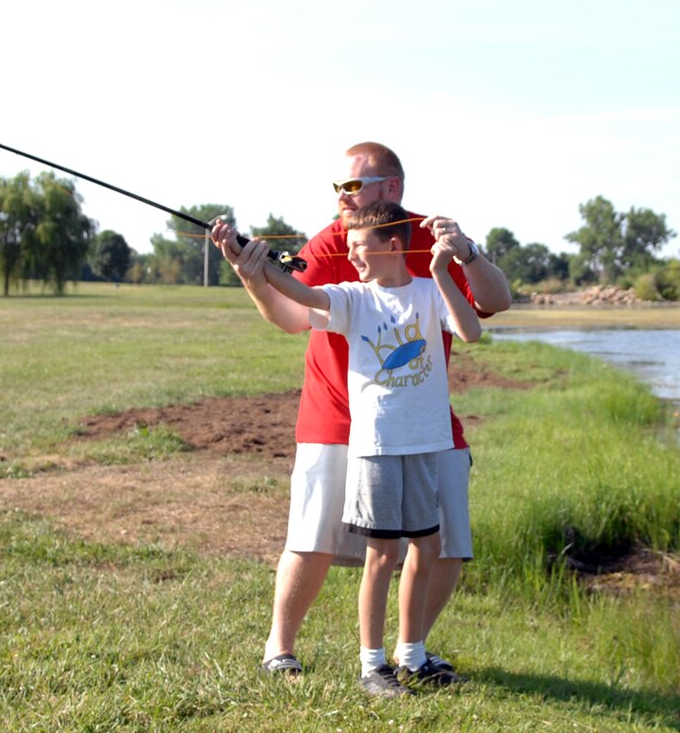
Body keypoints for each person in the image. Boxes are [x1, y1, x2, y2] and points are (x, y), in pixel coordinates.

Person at [208, 142, 511, 686]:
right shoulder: (335, 243)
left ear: (390, 188)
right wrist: (252, 274)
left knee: (443, 542)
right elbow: (294, 308)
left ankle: (410, 653)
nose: (341, 198)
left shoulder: (427, 244)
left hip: (425, 423)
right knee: (316, 537)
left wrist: (465, 253)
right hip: (340, 415)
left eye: (352, 186)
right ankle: (282, 648)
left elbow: (490, 308)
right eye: (337, 187)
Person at [243, 200, 484, 697]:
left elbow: (471, 330)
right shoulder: (353, 298)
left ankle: (413, 656)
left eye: (359, 247)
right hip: (374, 446)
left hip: (428, 442)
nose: (351, 256)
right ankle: (372, 665)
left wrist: (443, 269)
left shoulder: (429, 291)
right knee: (382, 553)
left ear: (393, 246)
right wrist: (259, 265)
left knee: (428, 545)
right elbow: (300, 290)